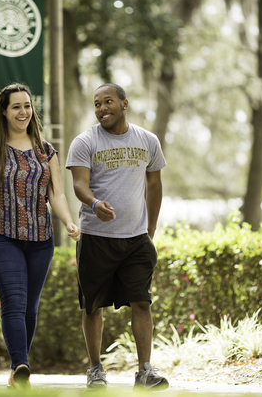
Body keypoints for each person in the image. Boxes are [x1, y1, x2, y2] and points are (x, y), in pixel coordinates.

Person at [0, 83, 80, 390]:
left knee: (30, 308)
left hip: (41, 238)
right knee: (13, 302)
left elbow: (57, 195)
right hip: (0, 235)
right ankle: (21, 365)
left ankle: (17, 374)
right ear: (4, 111)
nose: (23, 112)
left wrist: (68, 222)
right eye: (16, 106)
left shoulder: (47, 151)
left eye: (27, 106)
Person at [65, 83, 169, 391]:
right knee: (91, 306)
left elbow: (154, 186)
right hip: (96, 237)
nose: (101, 109)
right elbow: (79, 185)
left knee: (142, 302)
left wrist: (149, 231)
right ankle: (96, 369)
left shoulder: (148, 141)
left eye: (107, 102)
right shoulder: (85, 142)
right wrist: (95, 204)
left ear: (124, 104)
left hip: (136, 239)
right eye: (96, 104)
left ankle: (145, 371)